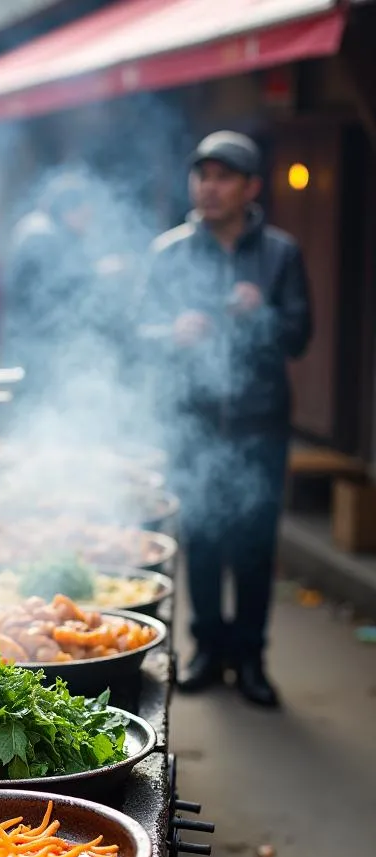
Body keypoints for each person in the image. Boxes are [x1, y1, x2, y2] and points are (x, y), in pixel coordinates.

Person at [138, 131, 312, 707]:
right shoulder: (170, 252)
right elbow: (139, 333)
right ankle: (207, 649)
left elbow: (301, 334)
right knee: (204, 539)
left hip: (259, 421)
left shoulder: (280, 253)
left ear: (250, 187)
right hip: (193, 420)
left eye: (223, 177)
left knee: (256, 544)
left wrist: (263, 312)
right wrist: (173, 333)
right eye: (202, 175)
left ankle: (251, 659)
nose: (209, 187)